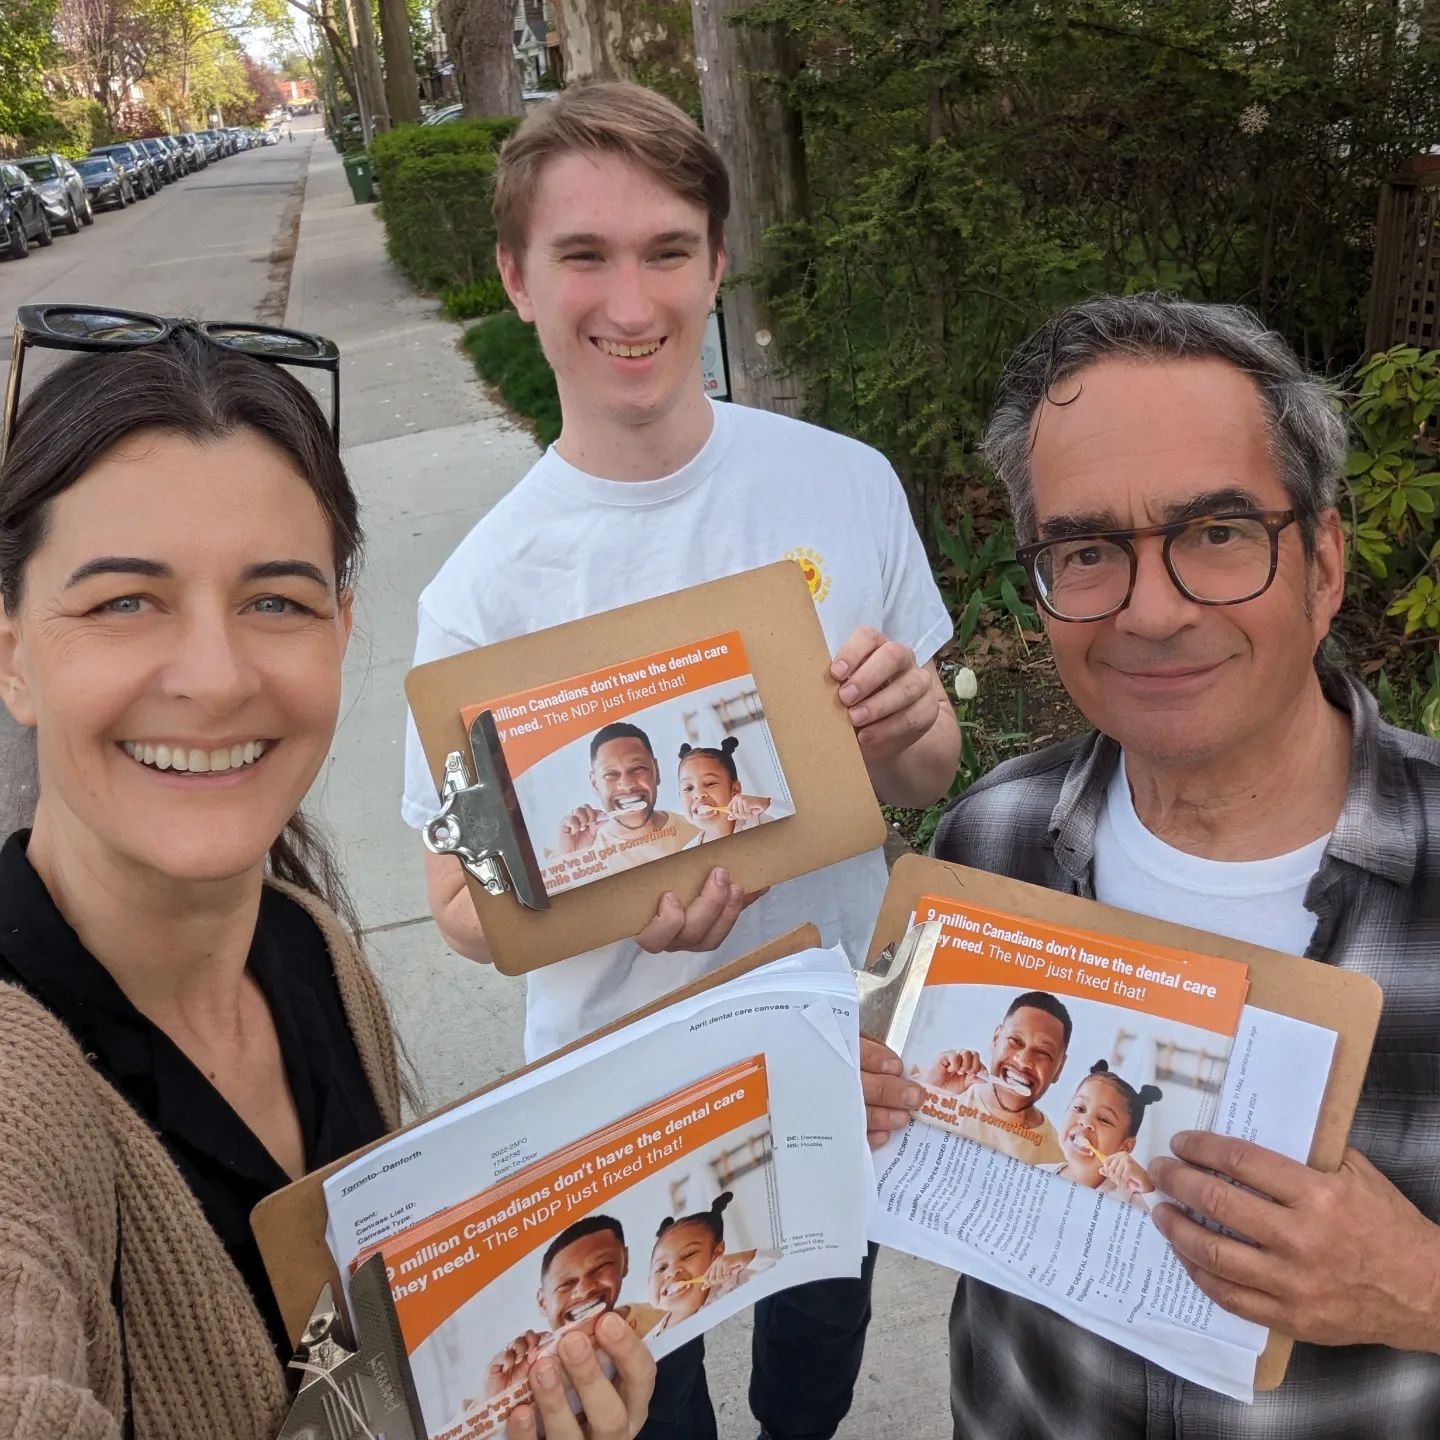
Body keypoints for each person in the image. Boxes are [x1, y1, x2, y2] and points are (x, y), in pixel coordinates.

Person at [402, 79, 958, 1440]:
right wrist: (615, 916)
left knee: (818, 1359)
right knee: (650, 1412)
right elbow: (463, 911)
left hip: (833, 1051)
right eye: (582, 255)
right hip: (617, 1088)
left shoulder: (845, 481)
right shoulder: (484, 598)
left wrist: (905, 723)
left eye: (665, 250)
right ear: (515, 280)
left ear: (717, 259)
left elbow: (926, 772)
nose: (631, 302)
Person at [0, 320, 653, 1440]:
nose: (213, 677)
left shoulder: (310, 948)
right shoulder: (24, 1112)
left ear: (342, 630)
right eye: (124, 600)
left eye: (275, 602)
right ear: (11, 648)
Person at [928, 293, 1440, 1439]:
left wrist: (1422, 1290)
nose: (1151, 611)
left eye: (1216, 533)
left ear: (1323, 562)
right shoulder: (990, 846)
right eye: (1089, 549)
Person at [485, 1217, 666, 1400]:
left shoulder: (664, 1320)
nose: (585, 1290)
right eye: (566, 1283)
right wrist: (503, 1399)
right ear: (543, 1303)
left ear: (624, 1261)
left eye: (600, 1267)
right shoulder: (531, 1368)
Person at [917, 990, 1070, 1162]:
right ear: (996, 1038)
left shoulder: (1058, 1161)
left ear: (1059, 1068)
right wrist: (926, 1095)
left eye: (1042, 1052)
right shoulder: (931, 1086)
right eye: (1015, 1041)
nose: (1024, 1061)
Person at [556, 722, 698, 865]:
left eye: (637, 768)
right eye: (610, 774)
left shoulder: (699, 830)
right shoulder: (579, 853)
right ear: (595, 784)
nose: (627, 784)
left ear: (656, 770)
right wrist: (572, 862)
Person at [1042, 1060, 1160, 1208]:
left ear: (1125, 1146)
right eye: (1079, 1108)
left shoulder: (1130, 1200)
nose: (1086, 1122)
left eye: (1103, 1119)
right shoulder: (1038, 1173)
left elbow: (1161, 1219)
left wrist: (1147, 1188)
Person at [647, 1192, 771, 1333]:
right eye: (661, 1268)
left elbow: (778, 1267)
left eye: (688, 1255)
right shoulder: (649, 1340)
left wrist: (748, 1257)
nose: (671, 1271)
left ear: (717, 1253)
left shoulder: (733, 1285)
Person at [676, 738, 773, 846]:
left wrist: (767, 804)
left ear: (735, 790)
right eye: (688, 788)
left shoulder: (763, 821)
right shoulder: (688, 851)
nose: (698, 794)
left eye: (709, 783)